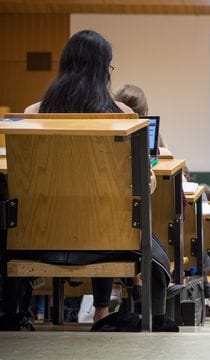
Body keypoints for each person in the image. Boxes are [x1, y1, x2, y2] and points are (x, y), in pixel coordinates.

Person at [19, 30, 176, 330]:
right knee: (113, 216)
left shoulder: (32, 114)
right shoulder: (123, 117)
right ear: (104, 69)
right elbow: (148, 185)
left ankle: (15, 312)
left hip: (40, 237)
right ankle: (143, 315)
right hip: (107, 239)